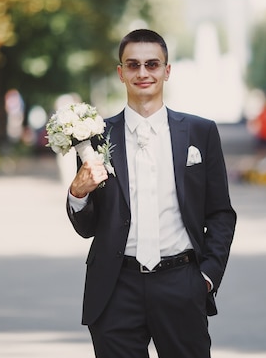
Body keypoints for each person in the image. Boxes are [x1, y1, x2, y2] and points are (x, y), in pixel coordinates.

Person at [66, 29, 237, 358]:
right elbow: (88, 227)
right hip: (116, 288)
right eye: (133, 65)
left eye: (152, 64)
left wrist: (206, 277)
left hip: (182, 282)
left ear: (167, 71)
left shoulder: (201, 132)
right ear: (121, 73)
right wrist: (77, 194)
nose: (142, 73)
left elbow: (220, 213)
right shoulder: (94, 137)